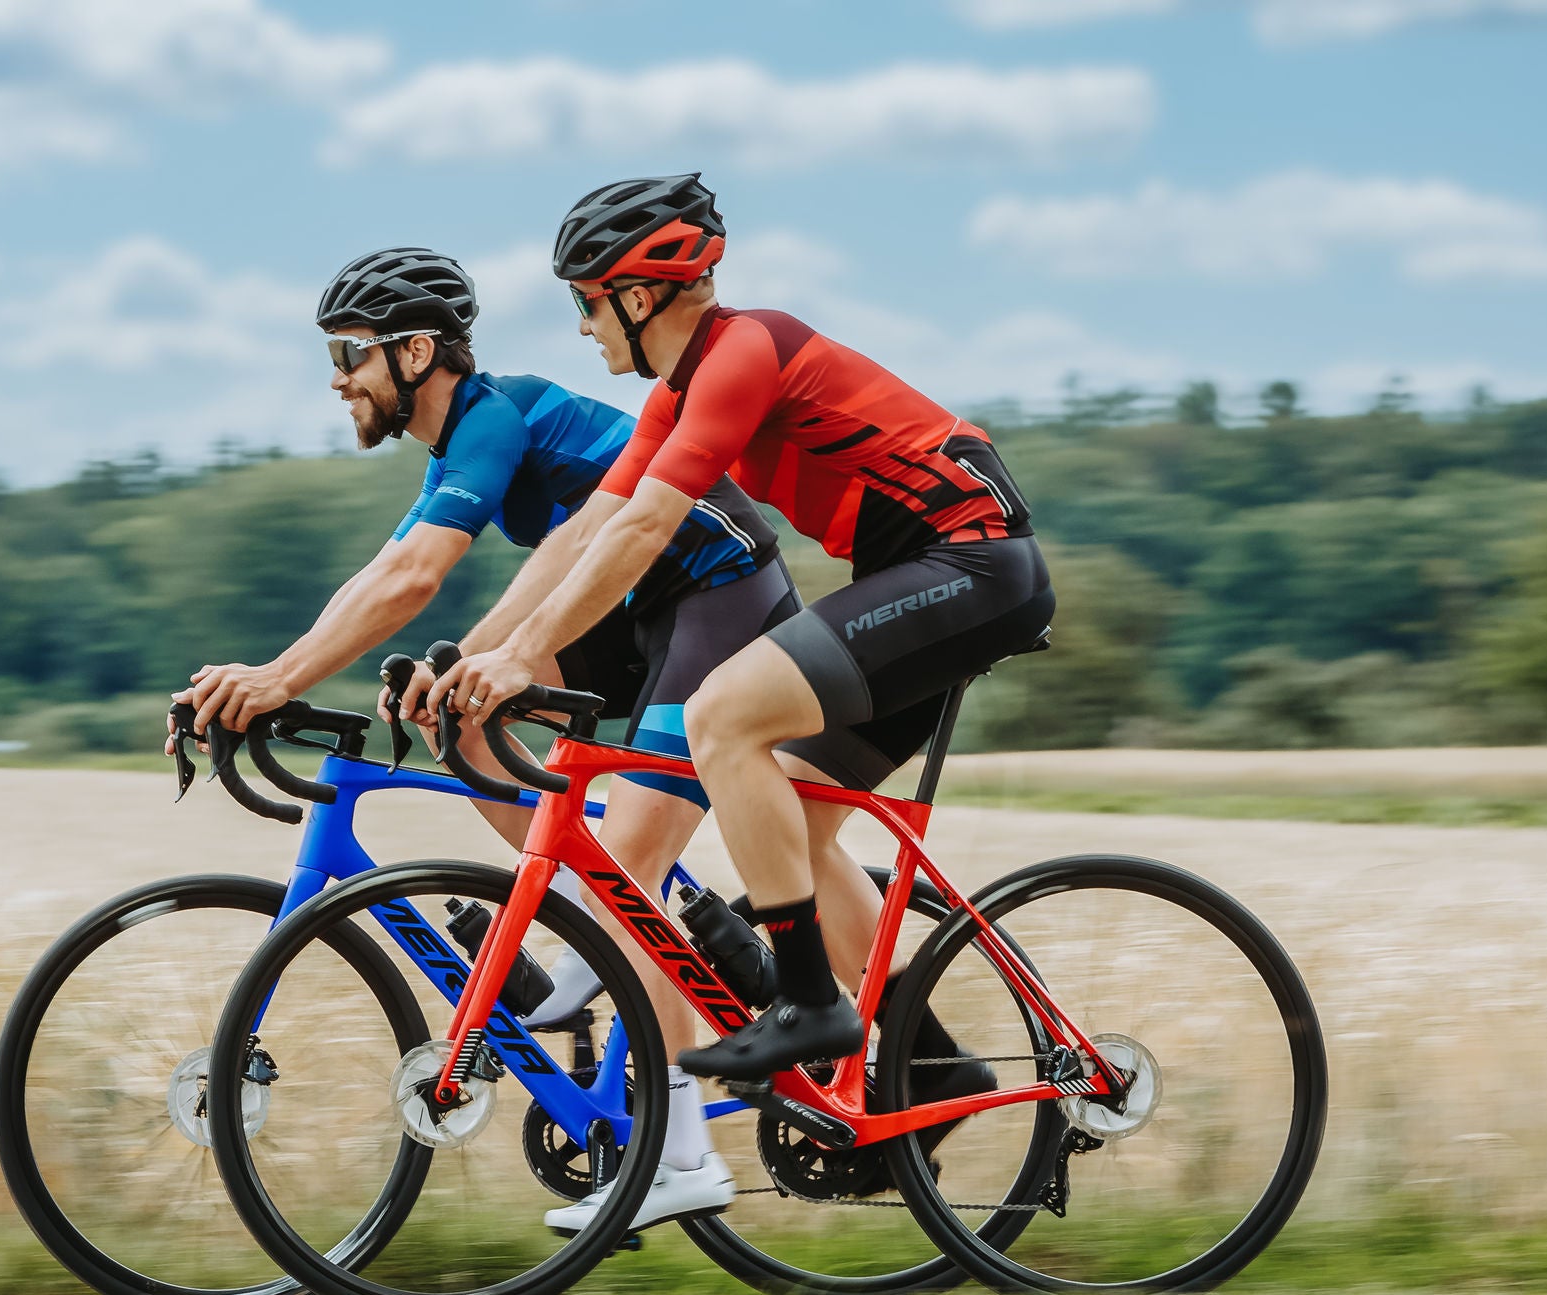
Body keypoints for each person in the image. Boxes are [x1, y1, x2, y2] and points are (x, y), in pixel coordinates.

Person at [174, 244, 803, 1232]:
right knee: (467, 723)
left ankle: (679, 1150)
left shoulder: (491, 417)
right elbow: (382, 572)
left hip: (715, 597)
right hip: (628, 619)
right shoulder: (466, 438)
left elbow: (414, 579)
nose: (337, 381)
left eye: (350, 355)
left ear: (417, 351)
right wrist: (288, 670)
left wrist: (279, 678)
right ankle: (618, 933)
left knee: (615, 879)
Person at [429, 175, 1053, 1086]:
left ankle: (810, 1003)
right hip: (922, 577)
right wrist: (492, 650)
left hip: (973, 566)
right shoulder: (672, 399)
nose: (581, 326)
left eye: (586, 301)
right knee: (797, 823)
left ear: (637, 297)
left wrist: (528, 653)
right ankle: (933, 1059)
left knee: (722, 716)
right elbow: (596, 527)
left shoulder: (744, 350)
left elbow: (646, 531)